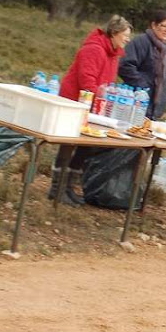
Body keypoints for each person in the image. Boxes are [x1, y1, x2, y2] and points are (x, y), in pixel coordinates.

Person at [50, 15, 132, 205]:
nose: (128, 39)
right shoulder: (94, 50)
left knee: (86, 145)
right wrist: (103, 98)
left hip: (94, 105)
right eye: (125, 35)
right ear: (114, 33)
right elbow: (87, 81)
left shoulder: (114, 54)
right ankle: (57, 188)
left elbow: (106, 84)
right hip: (75, 102)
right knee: (68, 144)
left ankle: (68, 187)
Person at [118, 10, 166, 120]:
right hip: (135, 103)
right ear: (154, 25)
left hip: (155, 109)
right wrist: (143, 87)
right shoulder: (141, 42)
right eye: (163, 26)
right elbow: (125, 65)